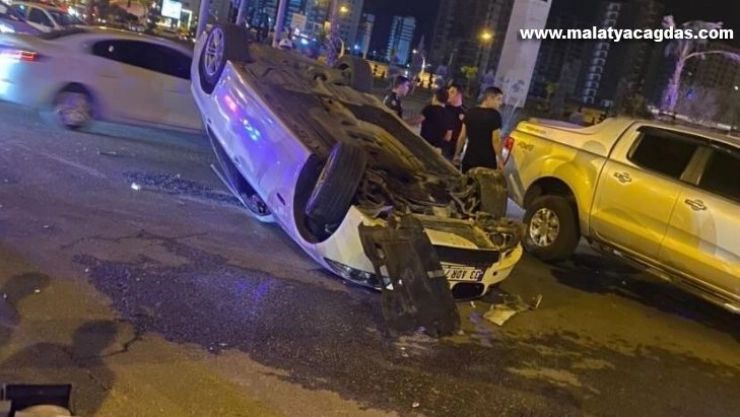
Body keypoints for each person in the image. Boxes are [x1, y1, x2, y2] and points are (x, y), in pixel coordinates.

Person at [453, 87, 504, 173]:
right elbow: (495, 140)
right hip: (486, 162)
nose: (500, 103)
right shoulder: (495, 116)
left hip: (469, 159)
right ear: (489, 98)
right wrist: (500, 159)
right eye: (498, 99)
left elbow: (462, 136)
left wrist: (457, 154)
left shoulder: (470, 112)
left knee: (467, 181)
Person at [411, 88, 454, 153]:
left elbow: (417, 121)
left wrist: (403, 121)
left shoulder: (430, 109)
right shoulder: (449, 115)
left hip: (424, 144)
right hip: (437, 149)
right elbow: (448, 137)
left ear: (435, 97)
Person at [444, 83, 467, 161]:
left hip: (454, 148)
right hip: (441, 145)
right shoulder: (444, 108)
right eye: (448, 92)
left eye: (452, 92)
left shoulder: (465, 112)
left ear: (459, 95)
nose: (448, 94)